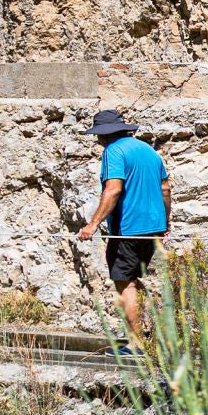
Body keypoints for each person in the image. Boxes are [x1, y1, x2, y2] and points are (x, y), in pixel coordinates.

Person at [75, 109, 170, 354]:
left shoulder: (113, 151)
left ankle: (135, 343)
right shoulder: (149, 150)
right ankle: (138, 329)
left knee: (124, 282)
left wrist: (92, 224)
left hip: (127, 229)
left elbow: (113, 190)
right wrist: (165, 223)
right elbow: (165, 190)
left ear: (104, 135)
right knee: (132, 279)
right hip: (154, 227)